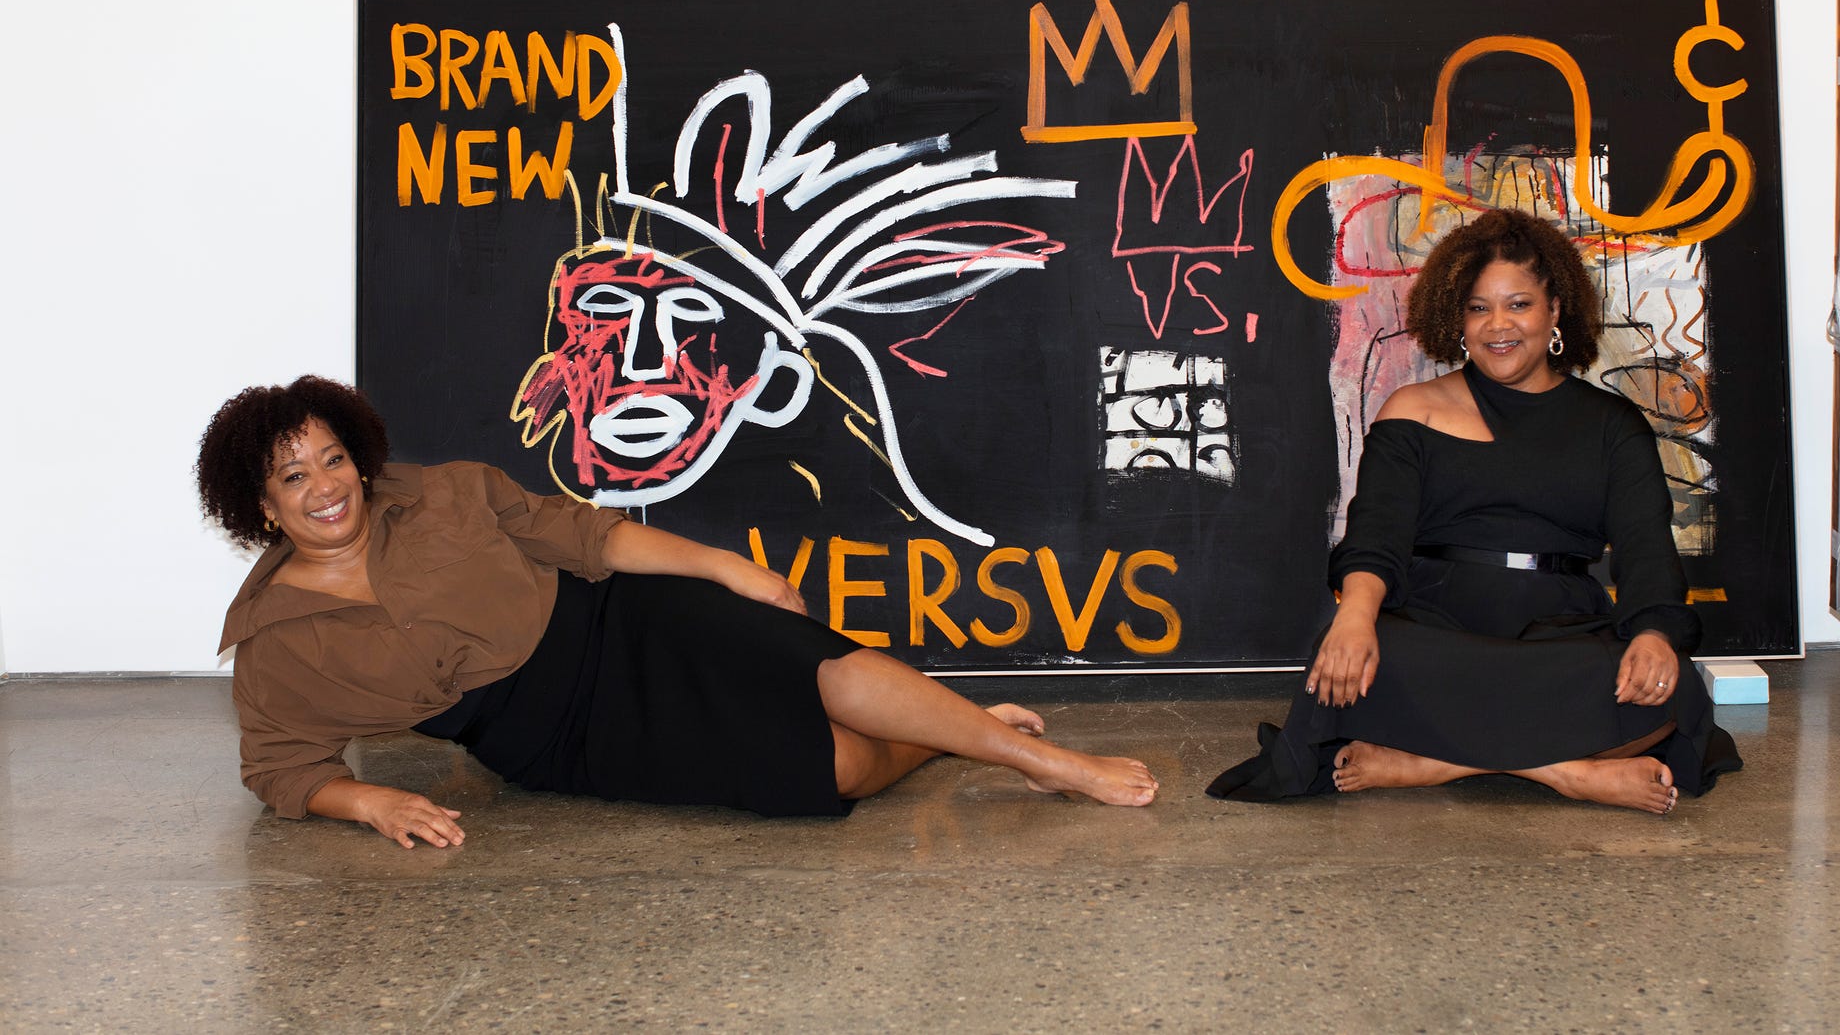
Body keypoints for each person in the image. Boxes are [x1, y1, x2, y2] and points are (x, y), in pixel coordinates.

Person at [204, 376, 1156, 849]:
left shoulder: (443, 492)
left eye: (333, 458)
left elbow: (589, 538)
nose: (326, 485)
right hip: (553, 735)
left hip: (621, 620)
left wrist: (725, 567)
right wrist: (366, 801)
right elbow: (279, 768)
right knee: (835, 767)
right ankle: (959, 733)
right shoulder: (275, 644)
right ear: (262, 508)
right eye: (295, 475)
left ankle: (1046, 761)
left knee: (810, 662)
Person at [1207, 207, 1740, 813]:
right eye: (1478, 307)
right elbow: (1377, 530)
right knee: (1360, 656)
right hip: (1435, 619)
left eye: (1518, 305)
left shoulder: (1611, 425)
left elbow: (1646, 548)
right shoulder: (1412, 408)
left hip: (1559, 624)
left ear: (1556, 310)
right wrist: (1355, 616)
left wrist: (1651, 634)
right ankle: (1566, 771)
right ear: (1456, 318)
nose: (1498, 326)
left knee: (1667, 689)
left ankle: (1434, 762)